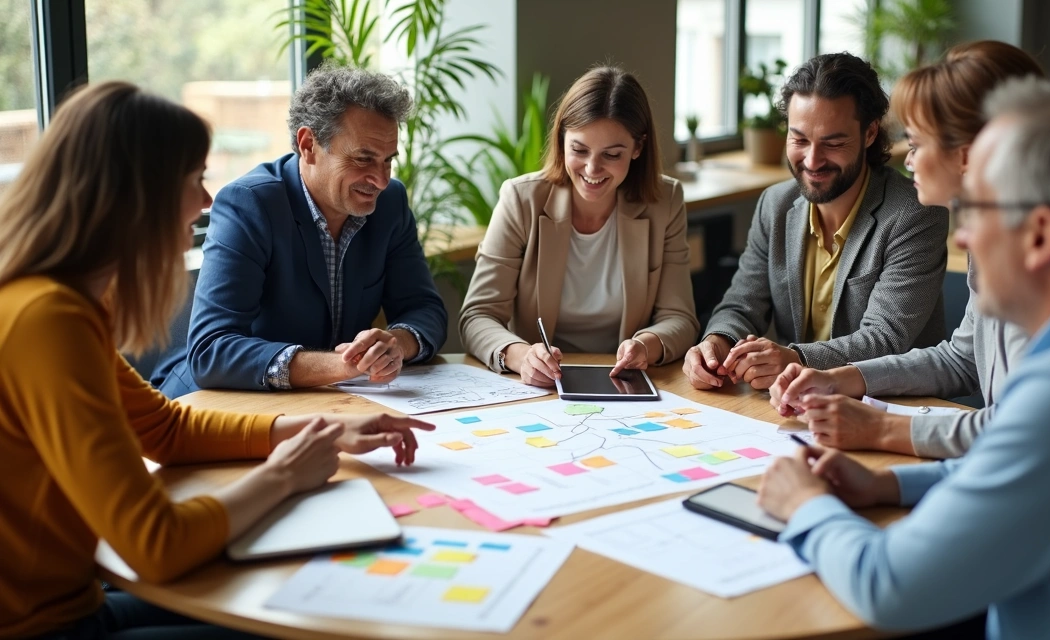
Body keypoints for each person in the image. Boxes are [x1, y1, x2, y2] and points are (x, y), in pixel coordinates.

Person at [759, 78, 1050, 638]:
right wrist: (891, 486)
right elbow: (1025, 461)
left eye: (977, 210)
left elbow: (889, 587)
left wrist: (804, 504)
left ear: (1040, 236)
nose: (965, 238)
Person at [0, 81, 436, 638]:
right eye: (192, 180)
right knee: (322, 622)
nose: (205, 201)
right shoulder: (48, 322)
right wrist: (283, 476)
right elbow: (156, 545)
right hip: (45, 627)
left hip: (73, 603)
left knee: (305, 598)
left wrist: (321, 429)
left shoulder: (58, 302)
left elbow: (164, 426)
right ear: (136, 195)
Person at [770, 41, 1044, 459]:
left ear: (967, 155)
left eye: (915, 144)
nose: (909, 161)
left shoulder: (1040, 261)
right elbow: (962, 360)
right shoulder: (992, 238)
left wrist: (880, 428)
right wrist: (842, 379)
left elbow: (1019, 430)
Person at [153, 63, 447, 398]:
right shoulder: (249, 204)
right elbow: (212, 351)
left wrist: (396, 343)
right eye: (363, 159)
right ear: (308, 145)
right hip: (215, 402)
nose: (381, 180)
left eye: (387, 160)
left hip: (328, 400)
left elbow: (425, 308)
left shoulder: (390, 202)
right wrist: (345, 365)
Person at [684, 52, 948, 392]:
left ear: (870, 134)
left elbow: (885, 339)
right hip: (799, 405)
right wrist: (717, 341)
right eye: (799, 139)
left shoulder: (915, 214)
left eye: (833, 143)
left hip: (892, 404)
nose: (812, 160)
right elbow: (742, 303)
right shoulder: (774, 205)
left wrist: (796, 359)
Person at [460, 66, 698, 387]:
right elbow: (478, 315)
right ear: (562, 140)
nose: (592, 168)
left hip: (623, 381)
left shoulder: (665, 200)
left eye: (612, 154)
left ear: (638, 148)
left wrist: (646, 345)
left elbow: (679, 317)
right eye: (579, 150)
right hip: (539, 386)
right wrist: (519, 355)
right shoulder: (521, 199)